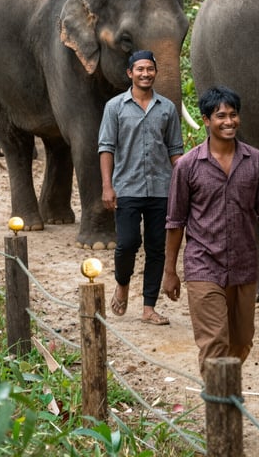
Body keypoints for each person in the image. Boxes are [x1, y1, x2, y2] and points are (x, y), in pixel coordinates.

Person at [163, 85, 259, 375]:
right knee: (214, 344)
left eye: (233, 115)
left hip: (244, 267)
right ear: (206, 121)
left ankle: (223, 393)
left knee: (241, 342)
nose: (229, 121)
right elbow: (175, 221)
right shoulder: (188, 166)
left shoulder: (255, 161)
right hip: (203, 265)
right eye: (221, 116)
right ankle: (219, 414)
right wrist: (170, 271)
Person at [99, 50, 183, 325]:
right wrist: (107, 186)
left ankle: (149, 307)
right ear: (130, 73)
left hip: (162, 188)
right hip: (127, 187)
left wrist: (185, 182)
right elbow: (106, 147)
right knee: (127, 243)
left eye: (150, 69)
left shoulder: (167, 108)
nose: (145, 73)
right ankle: (122, 283)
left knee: (157, 247)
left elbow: (175, 150)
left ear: (155, 72)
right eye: (140, 69)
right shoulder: (115, 107)